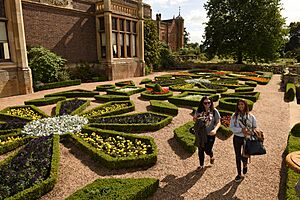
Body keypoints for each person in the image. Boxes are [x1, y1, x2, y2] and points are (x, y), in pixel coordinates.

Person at [229, 99, 257, 182]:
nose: (240, 106)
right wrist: (241, 130)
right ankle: (239, 174)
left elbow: (255, 127)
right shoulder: (234, 116)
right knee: (237, 156)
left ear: (245, 105)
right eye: (239, 104)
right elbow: (231, 128)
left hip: (247, 138)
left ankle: (245, 166)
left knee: (245, 155)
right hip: (237, 138)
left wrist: (249, 131)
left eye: (242, 104)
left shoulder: (251, 116)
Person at [193, 96, 221, 169]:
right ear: (202, 103)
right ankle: (201, 165)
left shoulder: (214, 111)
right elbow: (195, 120)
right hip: (201, 134)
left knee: (208, 150)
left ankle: (211, 156)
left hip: (210, 134)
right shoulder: (198, 111)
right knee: (200, 149)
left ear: (211, 103)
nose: (207, 104)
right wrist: (195, 118)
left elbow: (218, 122)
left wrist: (215, 130)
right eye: (205, 103)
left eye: (209, 102)